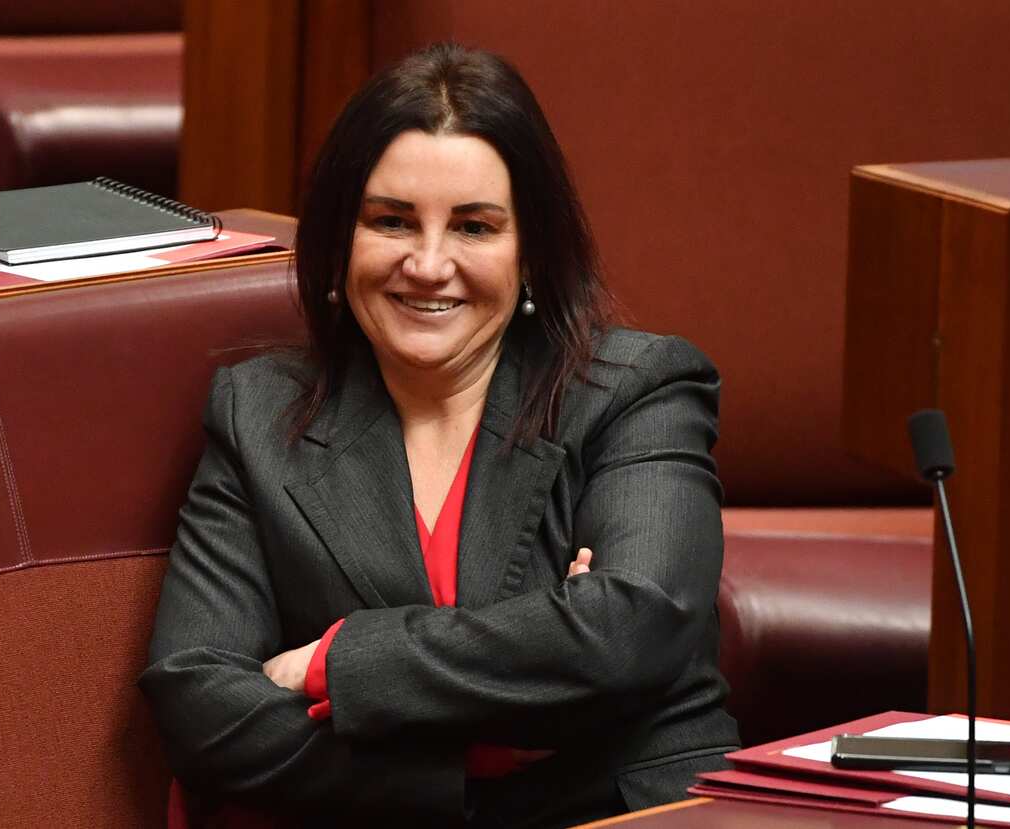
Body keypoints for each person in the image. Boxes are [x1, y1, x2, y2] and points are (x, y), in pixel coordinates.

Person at [140, 42, 739, 827]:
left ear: (530, 252)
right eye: (391, 220)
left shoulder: (638, 389)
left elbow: (633, 626)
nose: (428, 263)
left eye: (473, 227)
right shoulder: (257, 413)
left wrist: (342, 661)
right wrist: (455, 750)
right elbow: (198, 700)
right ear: (339, 240)